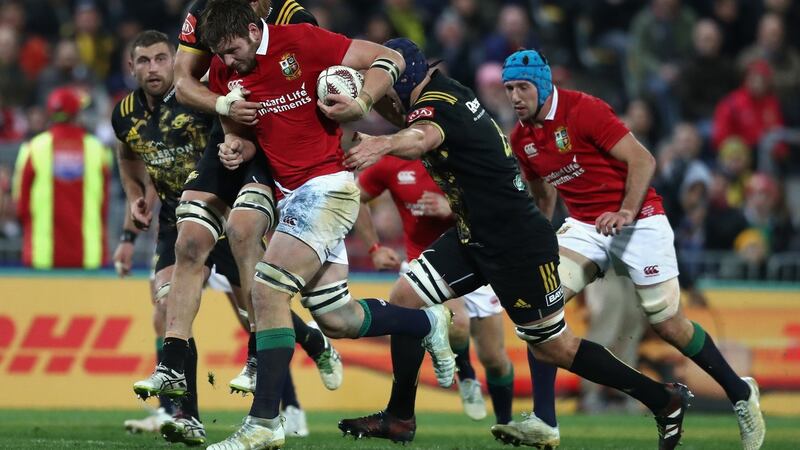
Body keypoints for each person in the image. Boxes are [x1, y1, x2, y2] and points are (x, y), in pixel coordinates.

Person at [338, 38, 691, 450]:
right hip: (475, 235)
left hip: (515, 245)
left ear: (405, 79)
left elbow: (420, 138)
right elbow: (406, 119)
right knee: (404, 298)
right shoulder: (442, 95)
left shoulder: (438, 105)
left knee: (555, 346)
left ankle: (662, 399)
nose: (379, 98)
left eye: (383, 85)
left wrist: (381, 143)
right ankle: (399, 417)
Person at [175, 3, 454, 448]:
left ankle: (264, 423)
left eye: (231, 51)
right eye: (218, 55)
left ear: (253, 29)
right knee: (336, 319)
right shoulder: (224, 74)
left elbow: (392, 57)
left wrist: (362, 101)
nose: (226, 62)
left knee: (266, 290)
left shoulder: (301, 41)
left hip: (328, 188)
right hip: (292, 198)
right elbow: (242, 139)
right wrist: (232, 149)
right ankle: (424, 324)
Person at [493, 48, 765, 450]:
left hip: (639, 220)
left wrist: (624, 211)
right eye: (509, 88)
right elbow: (541, 192)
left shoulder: (585, 110)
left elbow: (643, 159)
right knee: (538, 305)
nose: (515, 97)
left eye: (523, 87)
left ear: (544, 84)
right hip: (587, 227)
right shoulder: (522, 138)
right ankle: (545, 421)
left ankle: (740, 394)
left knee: (668, 323)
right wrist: (537, 234)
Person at [133, 0, 343, 410]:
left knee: (244, 232)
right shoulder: (205, 11)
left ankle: (259, 354)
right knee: (189, 240)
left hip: (274, 141)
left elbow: (318, 84)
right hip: (228, 127)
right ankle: (173, 363)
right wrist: (224, 110)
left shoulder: (294, 18)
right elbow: (187, 81)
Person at [112, 30, 252, 445]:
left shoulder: (199, 98)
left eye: (160, 59)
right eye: (143, 61)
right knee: (169, 304)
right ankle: (187, 416)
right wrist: (137, 198)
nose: (152, 68)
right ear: (131, 66)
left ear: (175, 61)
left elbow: (242, 135)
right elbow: (128, 154)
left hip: (225, 212)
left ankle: (313, 342)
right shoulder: (124, 113)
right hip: (176, 220)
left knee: (256, 311)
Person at [354, 156, 514, 426]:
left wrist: (453, 207)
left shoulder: (462, 151)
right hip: (426, 264)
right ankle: (465, 373)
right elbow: (354, 197)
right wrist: (374, 248)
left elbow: (499, 203)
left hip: (474, 260)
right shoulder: (393, 162)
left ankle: (506, 424)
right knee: (457, 323)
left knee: (494, 357)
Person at [13, 87, 111, 269]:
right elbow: (104, 204)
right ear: (77, 114)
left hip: (41, 255)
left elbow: (20, 206)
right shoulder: (97, 150)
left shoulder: (33, 148)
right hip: (89, 255)